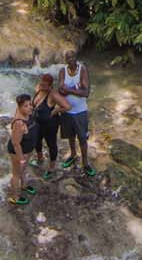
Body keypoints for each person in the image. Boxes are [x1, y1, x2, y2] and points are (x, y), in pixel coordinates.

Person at [58, 49, 96, 177]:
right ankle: (73, 155)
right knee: (70, 136)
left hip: (80, 111)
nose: (70, 60)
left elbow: (86, 93)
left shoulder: (82, 69)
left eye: (72, 57)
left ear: (76, 58)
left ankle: (85, 163)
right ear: (65, 60)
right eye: (68, 58)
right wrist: (76, 88)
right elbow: (60, 90)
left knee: (82, 138)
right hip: (67, 111)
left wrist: (68, 89)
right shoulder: (63, 71)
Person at [31, 73, 70, 182]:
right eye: (41, 83)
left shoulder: (53, 95)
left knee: (51, 144)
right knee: (36, 141)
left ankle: (51, 168)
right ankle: (40, 159)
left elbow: (67, 106)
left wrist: (56, 110)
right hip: (37, 122)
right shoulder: (38, 89)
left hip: (50, 124)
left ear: (50, 85)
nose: (42, 86)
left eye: (45, 85)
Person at [6, 94, 38, 206]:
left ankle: (24, 185)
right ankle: (14, 197)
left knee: (23, 170)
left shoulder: (27, 115)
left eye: (30, 104)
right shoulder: (19, 123)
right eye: (25, 106)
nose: (29, 107)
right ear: (19, 107)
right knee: (16, 174)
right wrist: (21, 159)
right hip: (18, 153)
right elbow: (15, 143)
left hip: (27, 150)